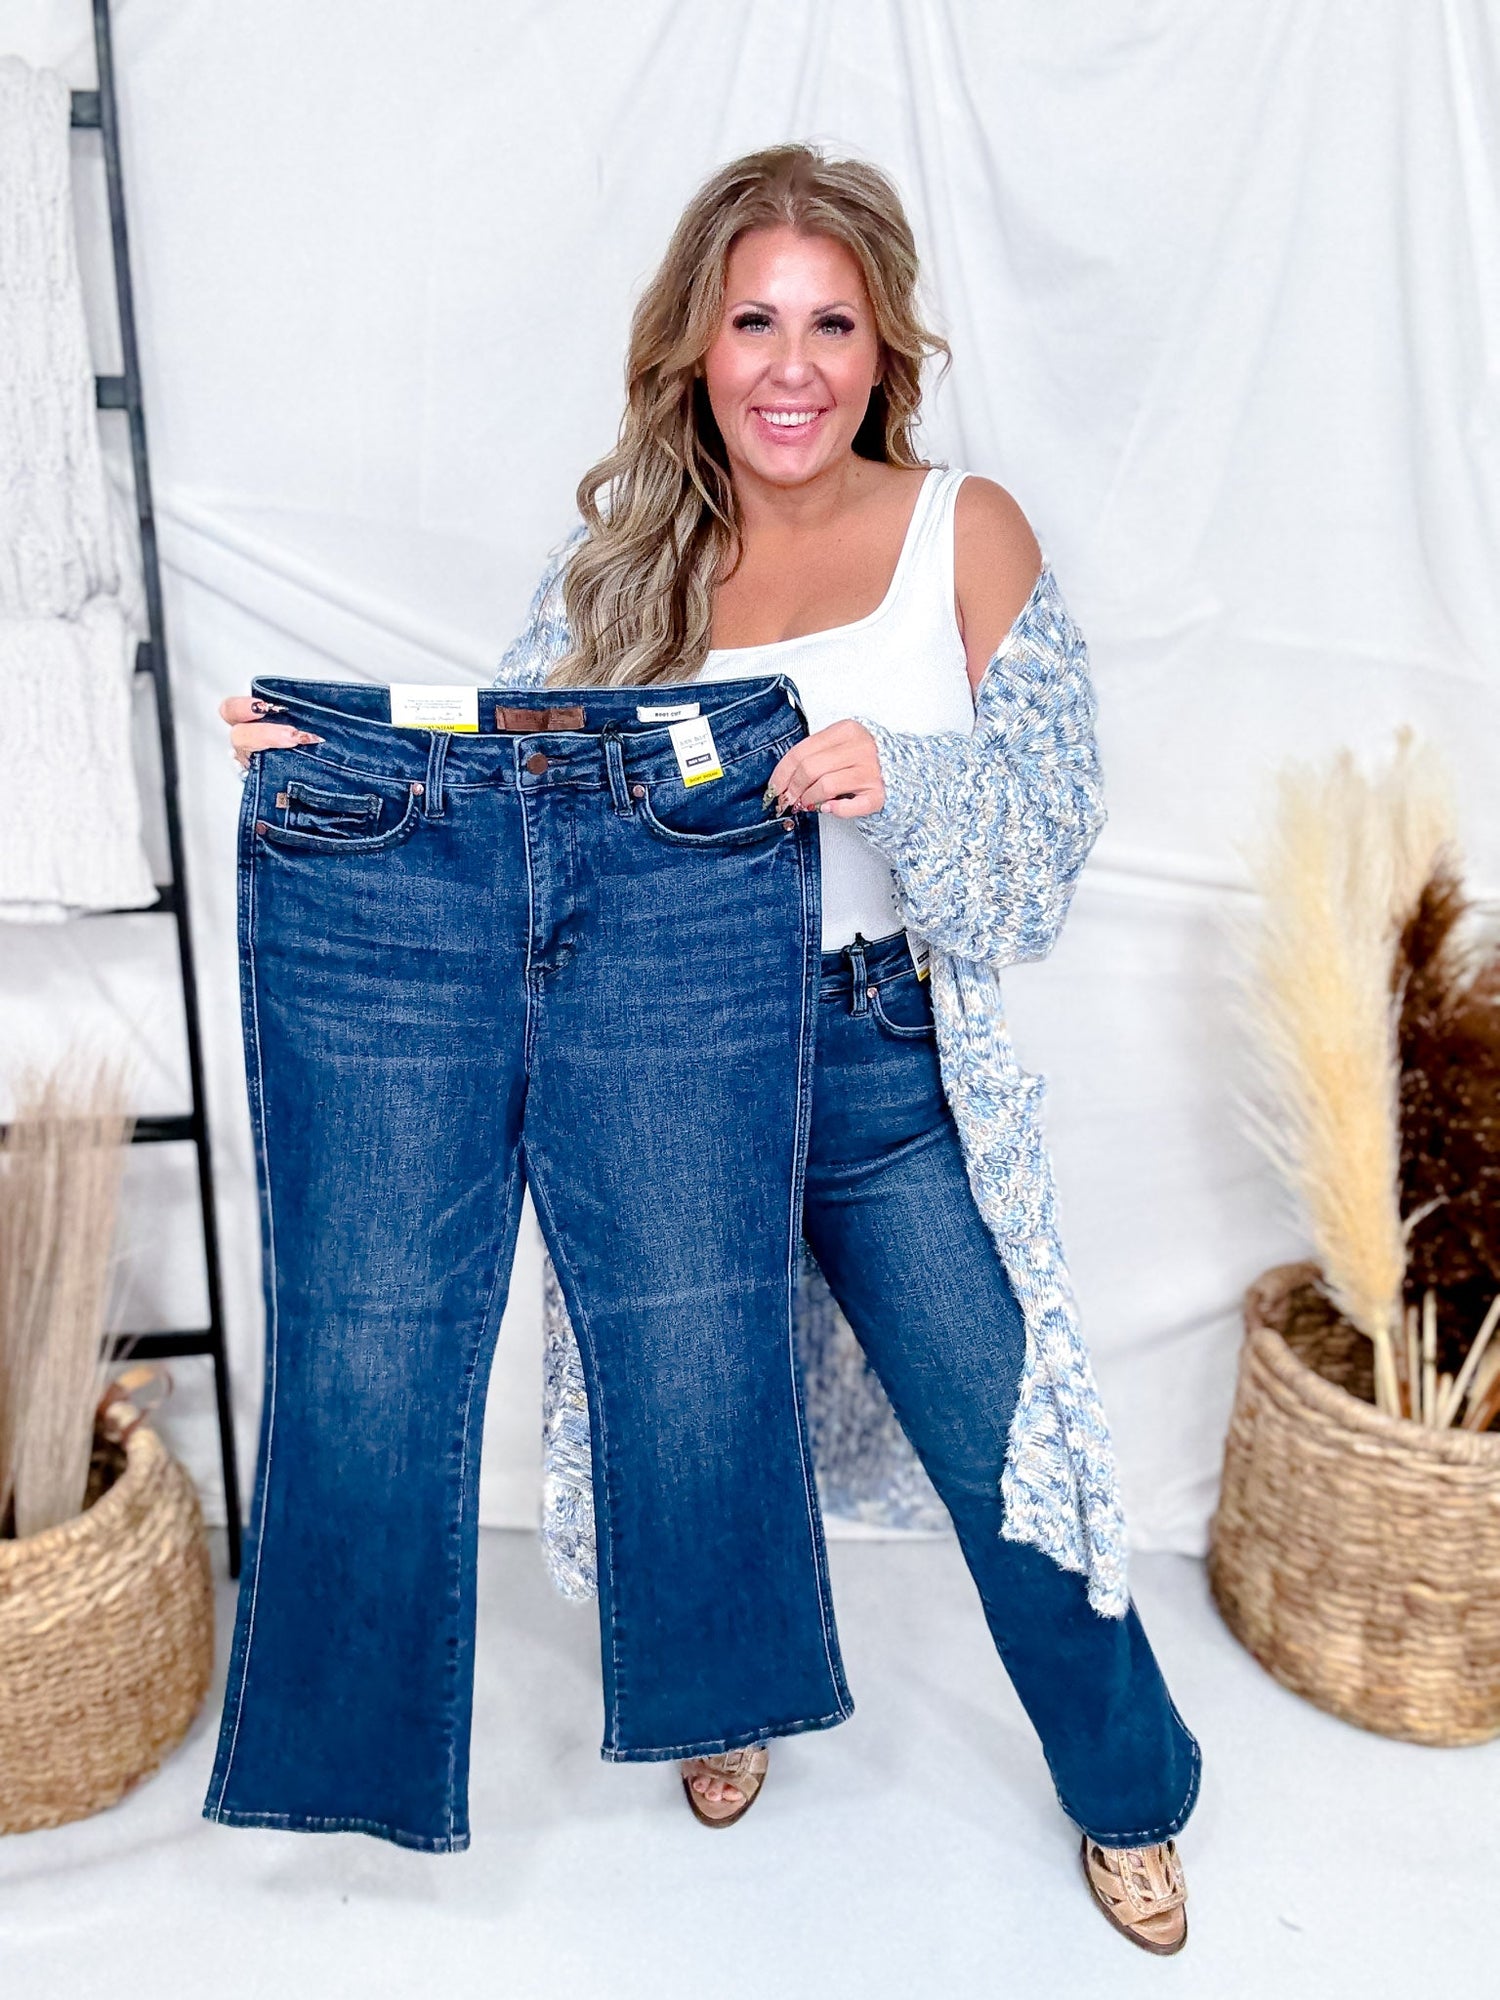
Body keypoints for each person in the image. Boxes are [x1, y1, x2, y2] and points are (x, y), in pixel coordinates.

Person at [223, 144, 1200, 1955]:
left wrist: (907, 777)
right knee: (684, 1409)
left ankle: (1130, 1787)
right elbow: (505, 787)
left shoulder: (965, 529)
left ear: (884, 348)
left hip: (882, 1063)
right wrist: (330, 769)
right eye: (755, 321)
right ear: (697, 344)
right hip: (663, 1064)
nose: (791, 365)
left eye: (831, 325)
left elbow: (1054, 826)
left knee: (1006, 1438)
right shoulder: (626, 570)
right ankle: (718, 1693)